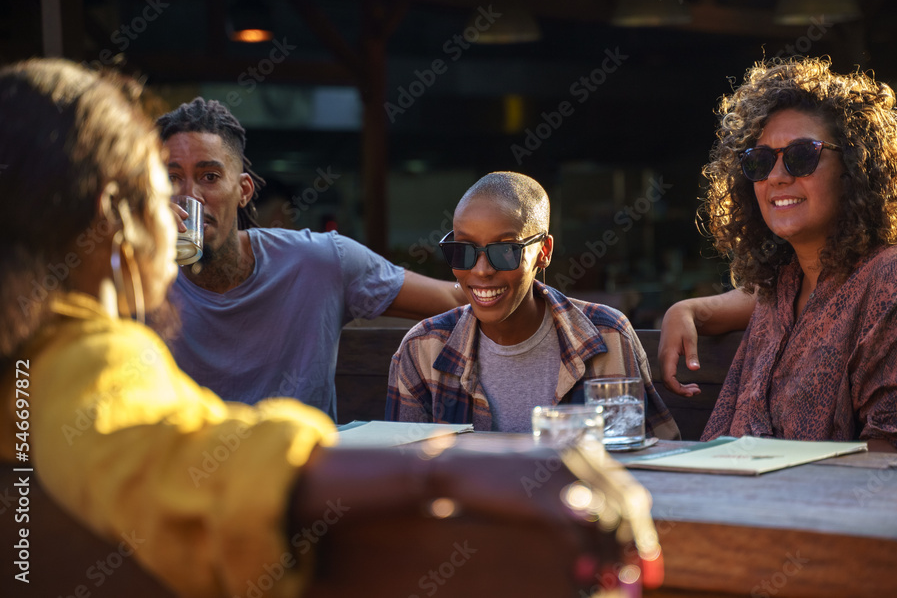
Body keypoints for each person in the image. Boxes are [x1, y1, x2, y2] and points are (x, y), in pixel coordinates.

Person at [0, 59, 660, 597]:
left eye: (205, 181)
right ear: (113, 215)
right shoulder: (76, 356)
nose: (183, 211)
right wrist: (447, 470)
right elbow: (180, 458)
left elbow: (469, 298)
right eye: (161, 189)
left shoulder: (34, 355)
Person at [657, 56, 897, 456]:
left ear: (856, 166)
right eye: (760, 161)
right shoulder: (788, 283)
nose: (777, 176)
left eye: (802, 155)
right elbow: (771, 300)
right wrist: (691, 310)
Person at [156, 98, 466, 420]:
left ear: (243, 191)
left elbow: (457, 300)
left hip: (304, 452)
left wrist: (494, 259)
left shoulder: (319, 261)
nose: (189, 195)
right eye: (171, 178)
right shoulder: (137, 280)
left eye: (209, 176)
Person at [386, 171, 681, 441]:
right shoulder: (423, 350)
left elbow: (650, 459)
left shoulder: (607, 337)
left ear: (544, 252)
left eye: (505, 250)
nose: (482, 270)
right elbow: (400, 467)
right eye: (463, 250)